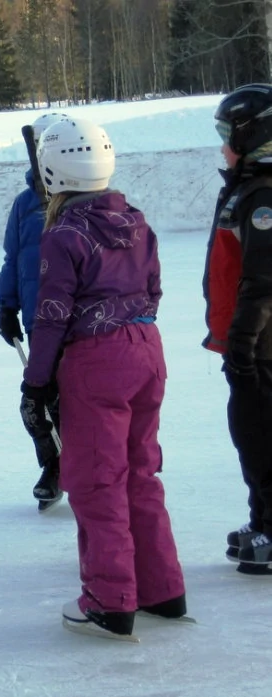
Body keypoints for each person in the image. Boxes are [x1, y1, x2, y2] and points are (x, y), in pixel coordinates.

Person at [24, 118, 186, 640]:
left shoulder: (65, 234)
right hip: (146, 349)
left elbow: (50, 313)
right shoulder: (136, 220)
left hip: (98, 360)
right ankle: (162, 589)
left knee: (97, 479)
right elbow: (154, 287)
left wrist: (37, 380)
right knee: (140, 471)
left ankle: (110, 597)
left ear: (53, 171)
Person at [204, 83, 272, 574]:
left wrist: (243, 345)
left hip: (262, 348)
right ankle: (263, 519)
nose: (223, 145)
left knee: (262, 437)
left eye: (228, 134)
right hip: (250, 345)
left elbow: (264, 277)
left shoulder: (264, 196)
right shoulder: (248, 189)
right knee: (250, 435)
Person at [0, 112, 68, 510]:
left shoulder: (78, 202)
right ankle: (52, 464)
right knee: (35, 403)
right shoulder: (25, 205)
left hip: (77, 327)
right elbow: (12, 259)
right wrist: (7, 306)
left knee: (72, 402)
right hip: (37, 322)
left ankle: (84, 466)